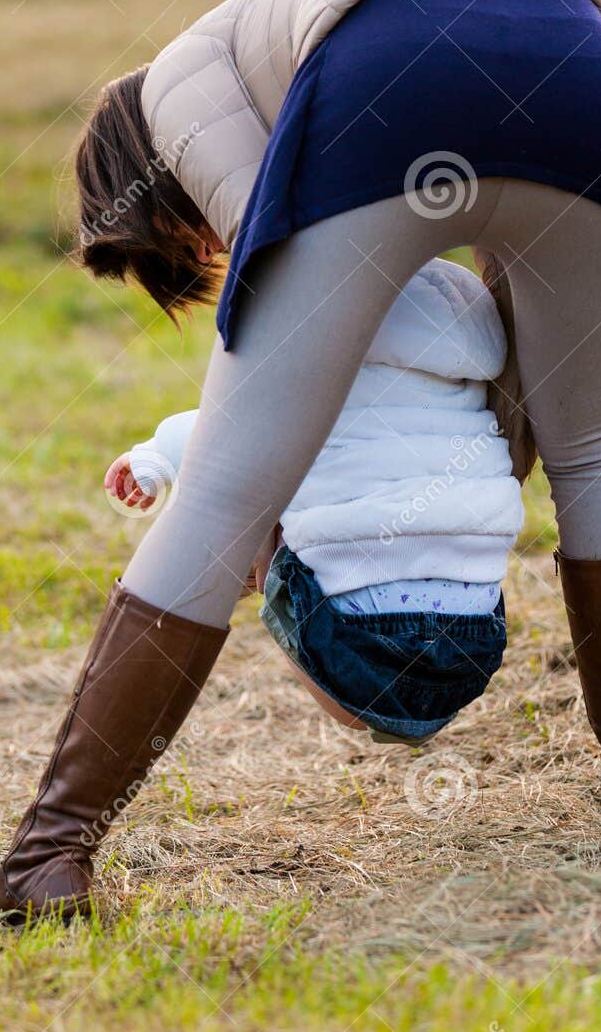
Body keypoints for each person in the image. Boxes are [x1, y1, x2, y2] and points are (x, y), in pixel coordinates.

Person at [0, 0, 601, 925]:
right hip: (592, 75)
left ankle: (47, 856)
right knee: (600, 446)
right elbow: (493, 323)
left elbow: (309, 326)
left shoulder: (180, 82)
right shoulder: (263, 33)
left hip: (397, 70)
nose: (202, 257)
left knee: (220, 491)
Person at [107, 258, 523, 745]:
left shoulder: (323, 338)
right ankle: (397, 704)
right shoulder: (467, 374)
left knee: (255, 495)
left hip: (356, 646)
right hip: (472, 647)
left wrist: (154, 457)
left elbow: (228, 436)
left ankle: (241, 573)